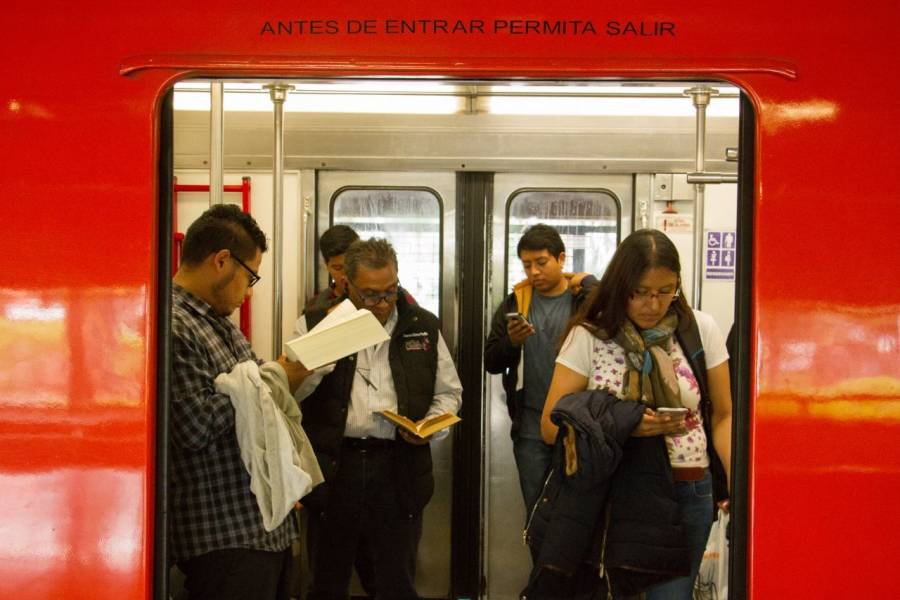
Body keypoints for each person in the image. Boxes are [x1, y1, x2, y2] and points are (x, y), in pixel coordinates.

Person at [540, 228, 732, 599]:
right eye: (640, 292)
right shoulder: (591, 336)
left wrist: (741, 487)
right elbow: (550, 426)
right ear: (619, 286)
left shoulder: (698, 329)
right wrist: (624, 425)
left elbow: (723, 416)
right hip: (614, 492)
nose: (653, 304)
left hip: (688, 491)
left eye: (665, 291)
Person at [294, 238, 463, 600]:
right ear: (347, 285)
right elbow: (291, 395)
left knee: (394, 581)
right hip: (336, 467)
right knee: (328, 580)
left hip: (398, 466)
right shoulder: (314, 323)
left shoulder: (422, 325)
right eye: (370, 295)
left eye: (390, 291)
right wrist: (327, 342)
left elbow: (449, 393)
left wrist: (429, 428)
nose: (383, 304)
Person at [170, 204, 313, 600]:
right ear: (221, 261)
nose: (249, 291)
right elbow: (193, 425)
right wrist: (274, 381)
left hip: (260, 528)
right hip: (222, 535)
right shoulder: (175, 325)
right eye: (250, 276)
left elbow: (255, 397)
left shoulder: (220, 325)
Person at [484, 223, 596, 517]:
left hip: (580, 427)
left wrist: (591, 283)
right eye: (527, 265)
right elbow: (491, 361)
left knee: (579, 515)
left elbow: (615, 315)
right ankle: (541, 564)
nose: (533, 272)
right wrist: (512, 342)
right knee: (537, 514)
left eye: (541, 262)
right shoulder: (516, 303)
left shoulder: (582, 301)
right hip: (531, 427)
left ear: (561, 258)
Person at [305, 224, 360, 313]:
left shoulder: (376, 301)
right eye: (338, 268)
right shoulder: (315, 309)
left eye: (351, 265)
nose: (345, 275)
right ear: (326, 265)